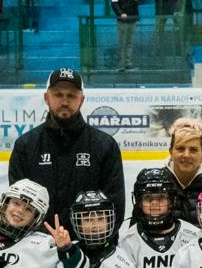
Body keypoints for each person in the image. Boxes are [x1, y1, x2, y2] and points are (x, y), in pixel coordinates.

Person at [7, 67, 124, 228]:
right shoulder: (25, 145)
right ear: (46, 98)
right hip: (37, 247)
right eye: (58, 95)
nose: (64, 102)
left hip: (89, 247)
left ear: (81, 100)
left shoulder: (105, 146)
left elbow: (114, 205)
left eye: (71, 96)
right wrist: (45, 241)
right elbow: (18, 206)